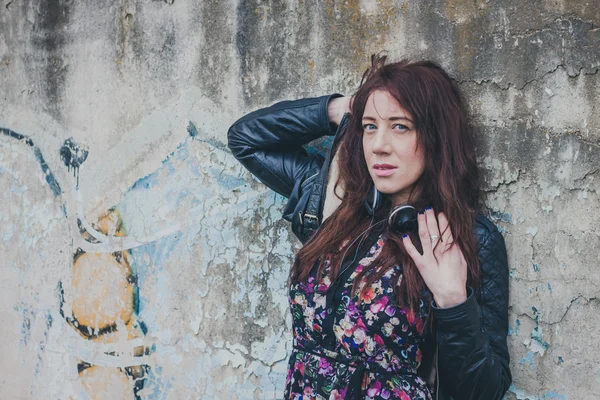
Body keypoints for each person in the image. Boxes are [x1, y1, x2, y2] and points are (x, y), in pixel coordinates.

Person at [227, 54, 511, 400]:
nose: (378, 145)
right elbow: (245, 139)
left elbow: (483, 391)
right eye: (370, 126)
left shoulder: (468, 237)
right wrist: (343, 109)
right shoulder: (331, 202)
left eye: (400, 126)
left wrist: (453, 302)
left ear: (436, 136)